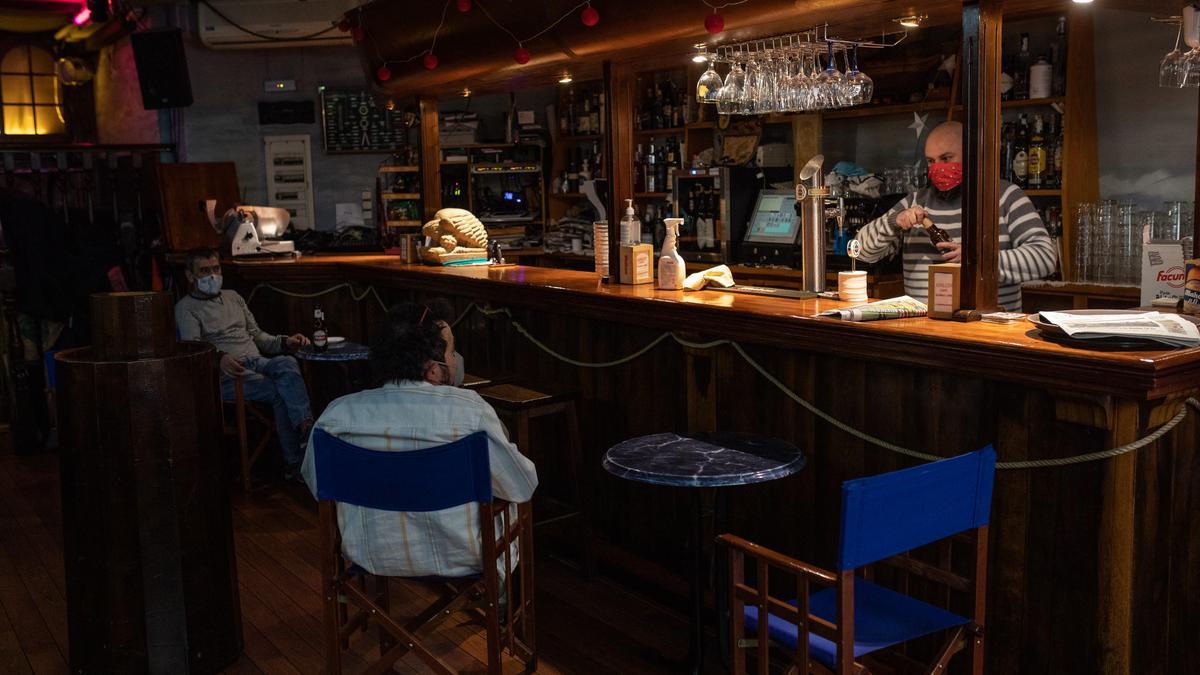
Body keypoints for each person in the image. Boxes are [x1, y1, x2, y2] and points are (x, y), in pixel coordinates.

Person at [300, 302, 537, 577]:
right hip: (464, 556)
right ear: (432, 369)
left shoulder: (336, 416)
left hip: (369, 552)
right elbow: (523, 484)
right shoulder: (471, 413)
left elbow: (316, 482)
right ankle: (502, 602)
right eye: (451, 351)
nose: (455, 359)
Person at [853, 121, 1057, 310]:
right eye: (931, 161)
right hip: (924, 332)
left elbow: (1044, 258)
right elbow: (860, 251)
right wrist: (893, 222)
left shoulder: (1005, 197)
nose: (938, 168)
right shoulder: (914, 202)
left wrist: (976, 260)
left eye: (946, 158)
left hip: (989, 332)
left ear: (971, 156)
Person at [175, 248, 313, 477]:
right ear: (190, 276)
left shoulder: (233, 297)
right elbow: (194, 350)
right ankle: (294, 462)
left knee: (287, 362)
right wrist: (219, 358)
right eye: (204, 271)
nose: (212, 275)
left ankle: (305, 427)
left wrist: (285, 341)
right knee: (278, 391)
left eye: (216, 269)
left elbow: (258, 335)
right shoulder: (185, 308)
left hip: (257, 361)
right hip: (229, 374)